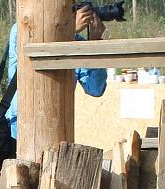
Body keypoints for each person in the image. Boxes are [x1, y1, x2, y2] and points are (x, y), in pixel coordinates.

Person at [6, 5, 109, 138]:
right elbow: (39, 59)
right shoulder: (23, 28)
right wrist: (68, 31)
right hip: (22, 123)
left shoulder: (77, 43)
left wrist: (94, 44)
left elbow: (95, 89)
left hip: (59, 125)